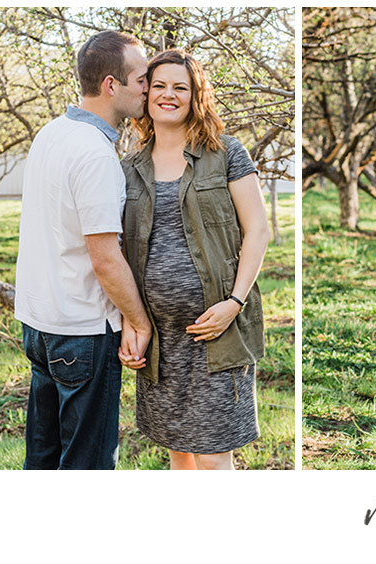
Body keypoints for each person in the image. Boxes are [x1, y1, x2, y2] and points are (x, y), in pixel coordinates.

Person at [120, 49, 270, 470]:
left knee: (212, 457)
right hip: (158, 338)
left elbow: (258, 231)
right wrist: (131, 323)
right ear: (147, 95)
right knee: (179, 452)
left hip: (216, 333)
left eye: (180, 87)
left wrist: (233, 303)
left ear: (195, 96)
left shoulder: (226, 153)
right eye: (160, 86)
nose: (169, 95)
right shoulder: (129, 168)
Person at [14, 31, 150, 470]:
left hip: (39, 326)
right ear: (112, 85)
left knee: (44, 459)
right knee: (86, 467)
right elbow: (105, 258)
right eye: (143, 79)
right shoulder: (94, 153)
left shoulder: (51, 133)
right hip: (81, 333)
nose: (148, 89)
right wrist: (138, 320)